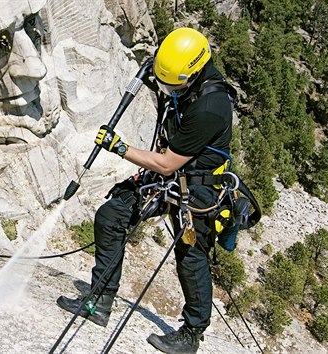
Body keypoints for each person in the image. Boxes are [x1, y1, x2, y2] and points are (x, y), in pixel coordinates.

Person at [57, 27, 236, 354]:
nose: (169, 89)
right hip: (175, 176)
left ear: (192, 74)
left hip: (199, 188)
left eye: (173, 83)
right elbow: (168, 76)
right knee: (111, 216)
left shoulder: (211, 107)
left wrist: (119, 147)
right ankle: (99, 301)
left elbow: (167, 164)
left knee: (190, 258)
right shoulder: (189, 74)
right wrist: (154, 73)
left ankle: (192, 334)